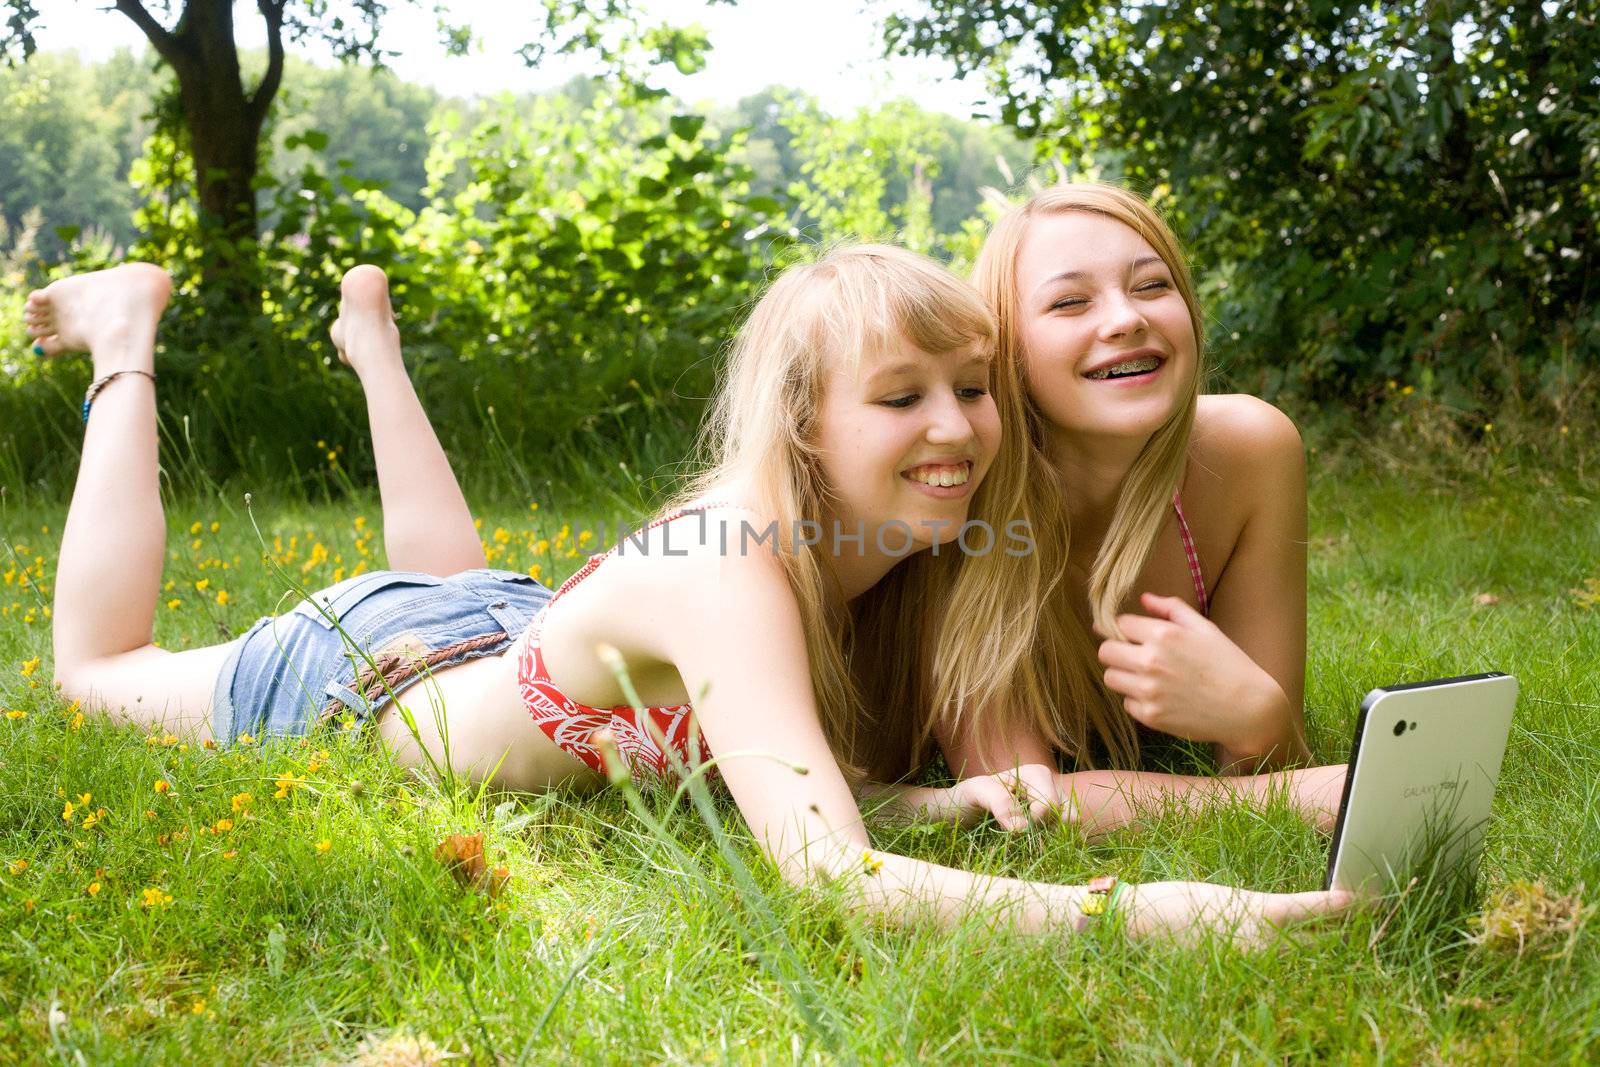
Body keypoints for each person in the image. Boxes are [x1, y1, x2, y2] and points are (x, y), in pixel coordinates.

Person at [22, 249, 1349, 943]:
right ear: (806, 424)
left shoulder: (917, 539)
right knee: (92, 669)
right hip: (360, 674)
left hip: (500, 614)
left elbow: (777, 771)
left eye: (970, 385)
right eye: (901, 396)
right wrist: (1177, 911)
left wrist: (929, 798)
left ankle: (372, 346)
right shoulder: (729, 561)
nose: (957, 426)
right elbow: (835, 879)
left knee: (457, 580)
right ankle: (124, 346)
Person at [940, 182, 1316, 783]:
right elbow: (1017, 799)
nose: (1126, 318)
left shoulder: (1250, 449)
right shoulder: (960, 483)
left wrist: (1261, 716)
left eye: (1151, 285)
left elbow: (1265, 761)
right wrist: (1303, 792)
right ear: (1006, 347)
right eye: (1069, 302)